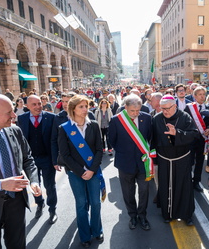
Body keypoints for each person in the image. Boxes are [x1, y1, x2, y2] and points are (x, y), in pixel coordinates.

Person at [0, 93, 41, 248]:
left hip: (16, 202)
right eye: (9, 112)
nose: (14, 115)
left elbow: (28, 159)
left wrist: (34, 180)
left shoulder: (15, 131)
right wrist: (1, 185)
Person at [58, 95, 105, 247]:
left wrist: (91, 170)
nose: (86, 109)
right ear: (73, 109)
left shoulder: (94, 125)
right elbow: (65, 155)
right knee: (81, 204)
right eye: (81, 107)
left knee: (96, 203)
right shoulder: (64, 129)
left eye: (86, 106)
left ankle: (97, 230)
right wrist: (80, 171)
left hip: (92, 171)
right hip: (75, 173)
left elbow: (99, 149)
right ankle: (85, 236)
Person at [152, 95, 199, 224]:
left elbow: (195, 135)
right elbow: (152, 140)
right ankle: (167, 214)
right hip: (164, 159)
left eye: (167, 108)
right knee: (165, 186)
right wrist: (153, 159)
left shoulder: (185, 117)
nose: (165, 111)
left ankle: (186, 215)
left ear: (175, 106)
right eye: (162, 109)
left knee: (183, 187)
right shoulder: (156, 119)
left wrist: (177, 133)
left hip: (182, 158)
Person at [108, 94, 153, 231]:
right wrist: (125, 151)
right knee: (128, 192)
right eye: (132, 110)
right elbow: (112, 140)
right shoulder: (117, 120)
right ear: (125, 107)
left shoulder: (147, 117)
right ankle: (132, 215)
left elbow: (149, 137)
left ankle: (142, 216)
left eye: (137, 110)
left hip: (143, 162)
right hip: (125, 163)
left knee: (144, 190)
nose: (135, 114)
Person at [17, 95, 58, 223]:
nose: (38, 107)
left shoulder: (51, 118)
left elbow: (55, 140)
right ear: (27, 106)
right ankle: (40, 204)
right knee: (35, 185)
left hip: (47, 158)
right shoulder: (22, 119)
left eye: (39, 103)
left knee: (50, 185)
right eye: (34, 104)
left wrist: (56, 160)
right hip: (30, 160)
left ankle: (52, 209)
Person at [184, 86, 209, 192]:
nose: (202, 96)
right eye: (200, 94)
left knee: (200, 162)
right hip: (191, 139)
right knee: (189, 161)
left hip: (203, 140)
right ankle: (187, 181)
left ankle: (196, 182)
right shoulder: (189, 107)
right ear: (194, 96)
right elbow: (185, 122)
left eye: (204, 94)